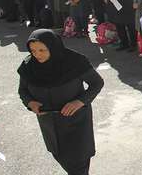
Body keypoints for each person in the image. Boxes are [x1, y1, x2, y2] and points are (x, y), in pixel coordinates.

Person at [18, 29, 104, 175]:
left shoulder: (75, 61)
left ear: (53, 47)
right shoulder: (29, 66)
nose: (37, 54)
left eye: (42, 50)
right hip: (50, 125)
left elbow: (97, 83)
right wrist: (30, 103)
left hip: (76, 122)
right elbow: (23, 91)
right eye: (33, 50)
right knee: (61, 157)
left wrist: (79, 102)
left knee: (78, 163)